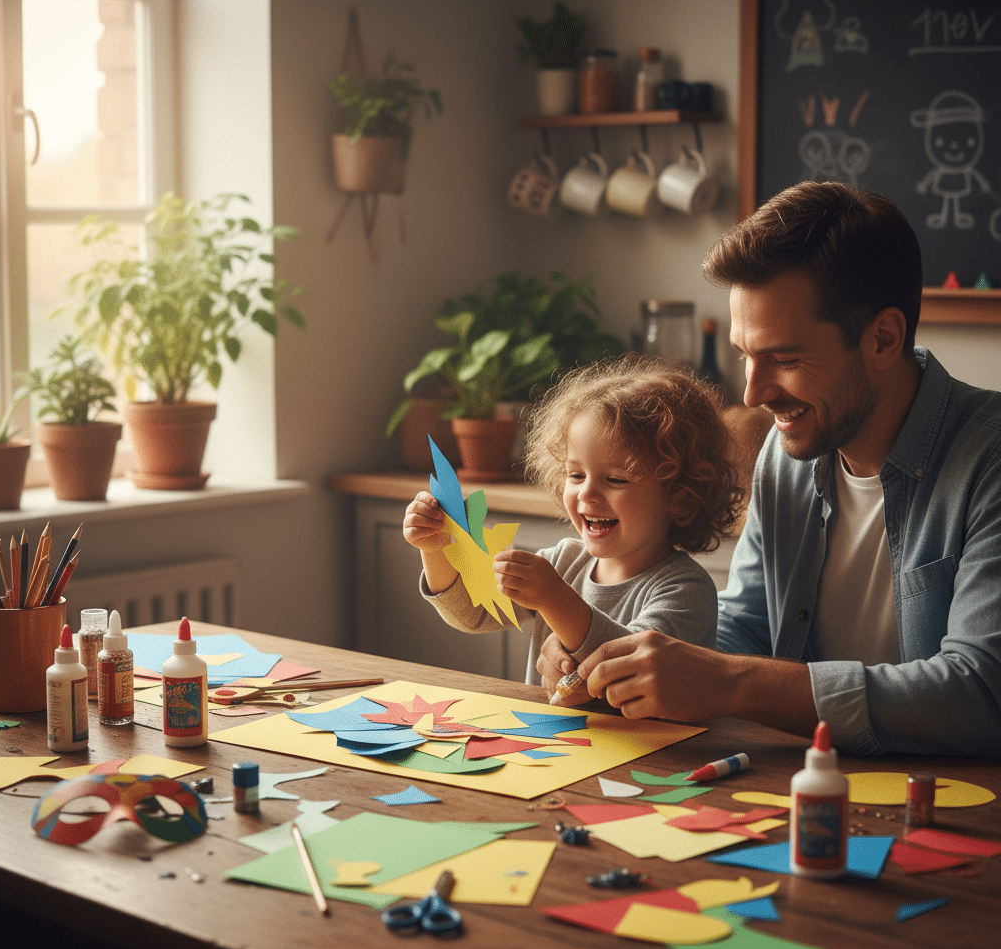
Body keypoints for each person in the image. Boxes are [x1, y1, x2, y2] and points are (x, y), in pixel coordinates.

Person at [537, 181, 1001, 758]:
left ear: (884, 338)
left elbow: (982, 693)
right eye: (744, 356)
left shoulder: (989, 459)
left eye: (784, 359)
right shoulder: (788, 454)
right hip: (798, 787)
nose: (754, 393)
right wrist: (616, 661)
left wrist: (729, 682)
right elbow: (744, 631)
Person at [402, 356, 744, 685]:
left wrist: (554, 599)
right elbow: (473, 613)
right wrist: (436, 548)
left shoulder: (687, 592)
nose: (587, 494)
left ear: (679, 495)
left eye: (616, 480)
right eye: (576, 475)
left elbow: (629, 667)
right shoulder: (563, 562)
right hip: (556, 743)